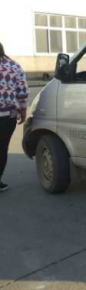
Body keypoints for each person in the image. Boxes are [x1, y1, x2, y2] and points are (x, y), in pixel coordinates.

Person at [0, 42, 29, 192]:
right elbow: (22, 92)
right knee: (2, 147)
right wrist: (23, 111)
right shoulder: (14, 66)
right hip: (7, 116)